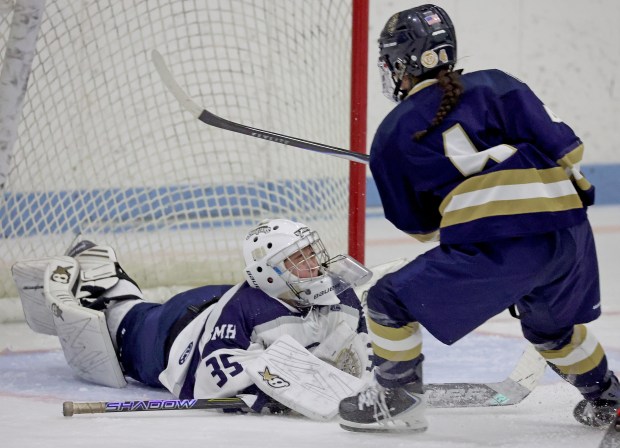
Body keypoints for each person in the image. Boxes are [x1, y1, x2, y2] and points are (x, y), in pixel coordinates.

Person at [338, 4, 619, 433]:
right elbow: (569, 152)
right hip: (570, 235)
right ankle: (609, 398)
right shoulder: (498, 84)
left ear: (400, 64)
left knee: (386, 302)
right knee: (552, 330)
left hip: (501, 246)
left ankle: (396, 399)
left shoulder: (392, 134)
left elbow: (422, 230)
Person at [17, 218, 373, 414]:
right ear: (269, 272)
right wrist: (263, 388)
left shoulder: (341, 297)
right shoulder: (246, 306)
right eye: (299, 259)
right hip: (178, 331)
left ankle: (115, 286)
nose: (314, 265)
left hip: (212, 300)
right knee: (130, 328)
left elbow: (360, 354)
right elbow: (208, 376)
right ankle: (108, 281)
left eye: (312, 253)